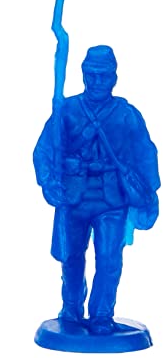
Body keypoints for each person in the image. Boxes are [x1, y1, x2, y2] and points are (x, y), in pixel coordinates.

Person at [34, 45, 160, 335]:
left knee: (109, 259)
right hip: (73, 196)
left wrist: (149, 193)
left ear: (114, 77)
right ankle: (71, 308)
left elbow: (145, 154)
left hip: (111, 199)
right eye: (91, 75)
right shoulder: (66, 110)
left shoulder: (126, 114)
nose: (97, 81)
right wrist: (50, 181)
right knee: (71, 257)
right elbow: (43, 152)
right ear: (83, 75)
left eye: (103, 75)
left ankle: (102, 314)